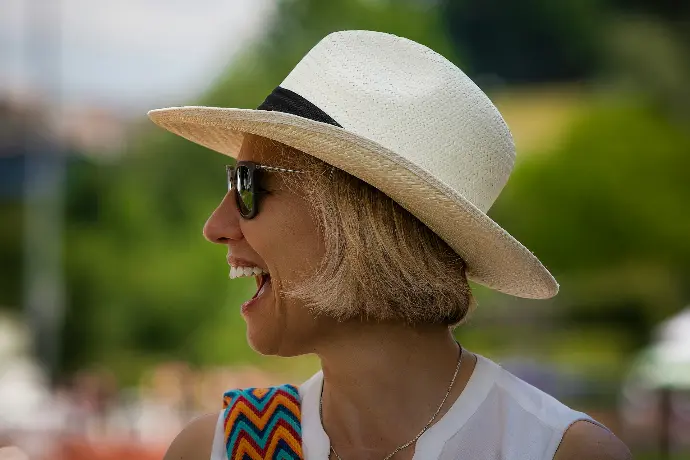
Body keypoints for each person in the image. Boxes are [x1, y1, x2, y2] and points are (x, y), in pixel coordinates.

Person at [149, 30, 631, 460]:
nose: (215, 225)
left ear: (358, 218)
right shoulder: (222, 448)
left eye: (247, 185)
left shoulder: (559, 451)